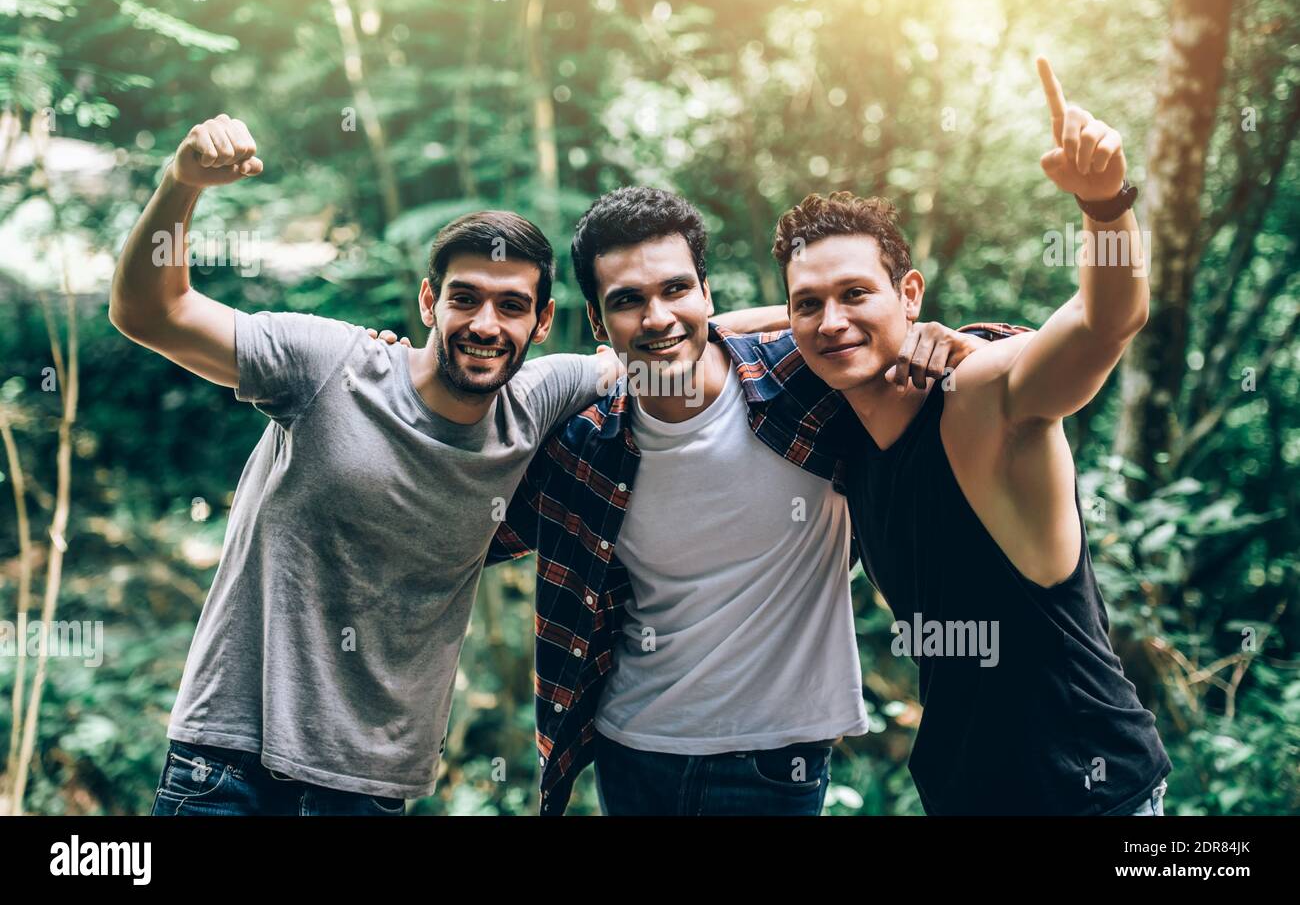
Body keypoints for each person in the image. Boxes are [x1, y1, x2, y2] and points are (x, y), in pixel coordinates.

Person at [111, 114, 620, 815]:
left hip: (370, 789)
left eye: (511, 307)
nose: (484, 324)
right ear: (427, 301)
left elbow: (677, 345)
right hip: (228, 765)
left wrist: (813, 322)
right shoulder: (326, 364)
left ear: (541, 321)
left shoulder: (537, 399)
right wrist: (181, 184)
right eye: (464, 297)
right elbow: (149, 311)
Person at [486, 186, 1003, 815]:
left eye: (676, 290)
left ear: (707, 291)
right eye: (627, 301)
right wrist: (408, 384)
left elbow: (1017, 364)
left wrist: (968, 348)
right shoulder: (584, 443)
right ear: (598, 323)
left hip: (776, 762)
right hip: (633, 757)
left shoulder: (806, 382)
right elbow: (458, 530)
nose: (656, 318)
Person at [775, 59, 1171, 814]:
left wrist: (1105, 204)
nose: (831, 321)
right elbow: (722, 340)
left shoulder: (980, 391)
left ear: (911, 293)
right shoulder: (840, 433)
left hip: (1089, 796)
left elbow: (1103, 322)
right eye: (807, 304)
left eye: (856, 293)